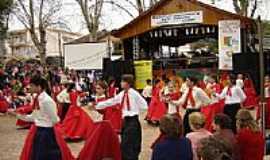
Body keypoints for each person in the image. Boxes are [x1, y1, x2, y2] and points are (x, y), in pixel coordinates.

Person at [15, 76, 74, 160]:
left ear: (38, 87)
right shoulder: (39, 98)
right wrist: (17, 115)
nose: (29, 87)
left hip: (46, 132)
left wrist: (44, 122)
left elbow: (55, 119)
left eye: (31, 85)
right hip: (40, 131)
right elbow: (33, 117)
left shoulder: (46, 100)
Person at [91, 74, 148, 160]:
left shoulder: (134, 94)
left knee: (128, 144)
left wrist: (134, 111)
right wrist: (98, 105)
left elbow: (144, 106)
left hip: (133, 120)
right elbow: (112, 101)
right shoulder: (122, 94)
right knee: (126, 144)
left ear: (128, 83)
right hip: (125, 121)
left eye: (122, 81)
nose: (120, 83)